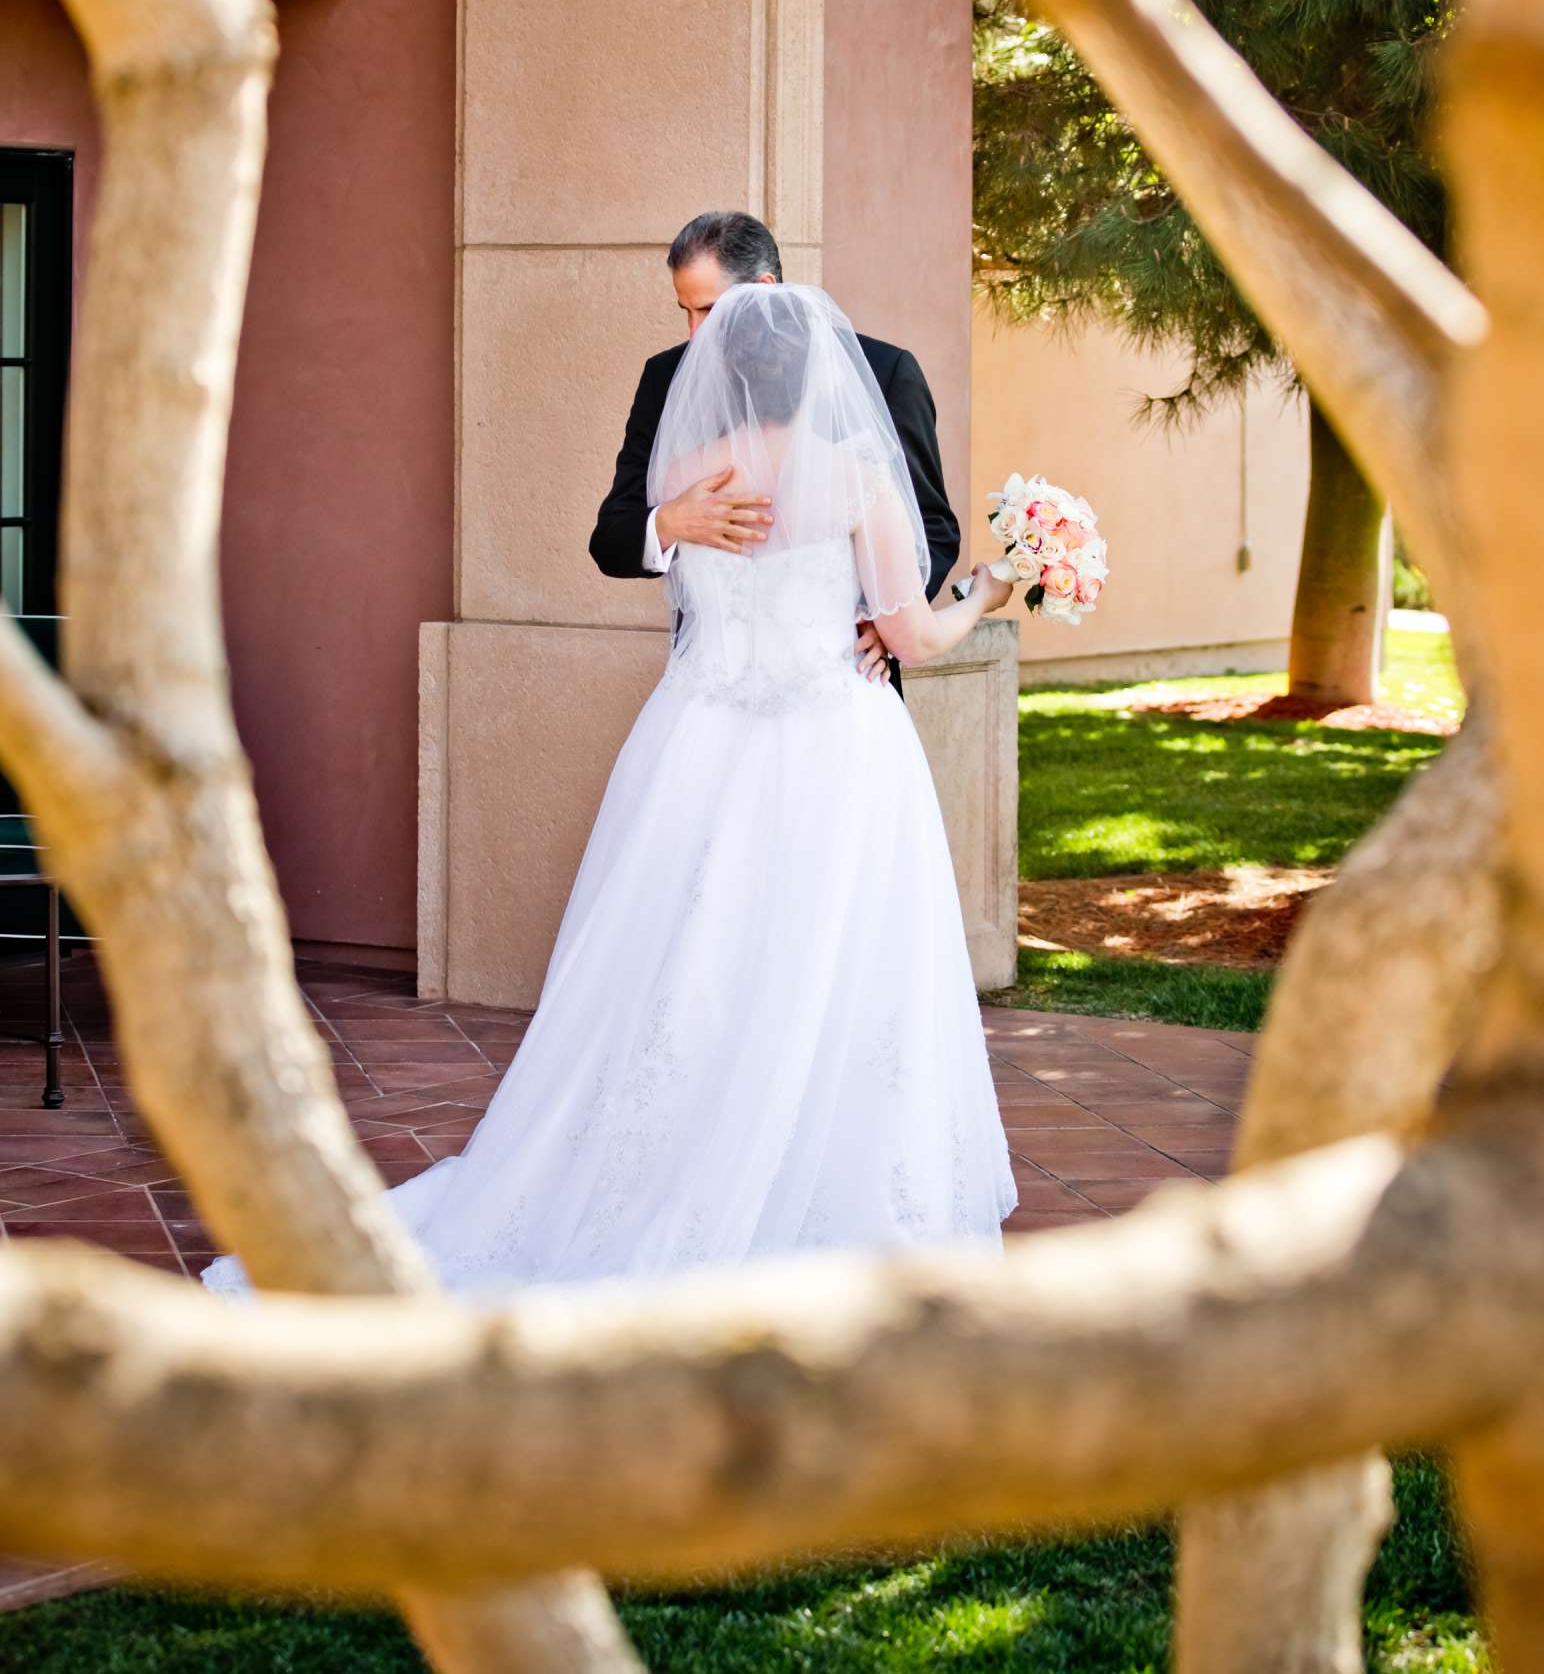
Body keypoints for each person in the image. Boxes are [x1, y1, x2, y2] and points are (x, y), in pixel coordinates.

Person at [202, 281, 1016, 1300]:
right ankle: (807, 1176)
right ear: (819, 377)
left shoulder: (685, 476)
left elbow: (667, 556)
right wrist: (988, 588)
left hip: (702, 745)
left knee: (686, 961)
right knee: (825, 959)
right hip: (832, 753)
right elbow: (915, 640)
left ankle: (671, 1166)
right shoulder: (855, 484)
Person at [590, 209, 961, 693]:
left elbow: (933, 525)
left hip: (842, 681)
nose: (694, 332)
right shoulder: (665, 378)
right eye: (685, 310)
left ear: (764, 288)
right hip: (713, 689)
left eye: (707, 309)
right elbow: (611, 537)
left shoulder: (885, 371)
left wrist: (887, 619)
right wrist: (670, 522)